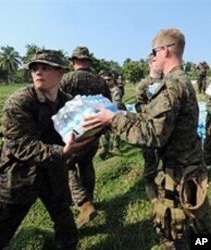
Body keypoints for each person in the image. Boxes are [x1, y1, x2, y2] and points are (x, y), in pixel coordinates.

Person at [83, 28, 210, 249]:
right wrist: (121, 115)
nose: (153, 57)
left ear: (165, 51)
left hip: (178, 176)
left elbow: (152, 136)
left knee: (176, 232)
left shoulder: (171, 85)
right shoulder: (182, 81)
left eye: (155, 52)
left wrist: (113, 121)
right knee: (198, 227)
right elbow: (155, 119)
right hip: (189, 167)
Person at [0, 49, 93, 250]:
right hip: (18, 175)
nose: (38, 72)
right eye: (34, 68)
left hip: (53, 174)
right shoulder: (20, 101)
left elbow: (82, 127)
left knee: (66, 225)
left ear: (60, 74)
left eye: (45, 68)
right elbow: (21, 146)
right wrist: (62, 152)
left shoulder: (68, 103)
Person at [60, 46, 111, 228]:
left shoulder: (66, 79)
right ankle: (89, 198)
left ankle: (82, 203)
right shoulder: (100, 81)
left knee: (67, 166)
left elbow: (56, 104)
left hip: (73, 133)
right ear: (88, 62)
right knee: (87, 164)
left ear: (73, 62)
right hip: (94, 130)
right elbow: (108, 104)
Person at [135, 53, 163, 201]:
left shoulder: (167, 81)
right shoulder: (144, 84)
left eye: (159, 60)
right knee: (150, 159)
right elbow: (139, 105)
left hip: (165, 128)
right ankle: (149, 184)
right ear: (149, 64)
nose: (158, 63)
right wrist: (154, 109)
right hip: (150, 128)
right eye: (154, 61)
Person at [97, 72, 126, 159]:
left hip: (114, 112)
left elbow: (116, 103)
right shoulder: (103, 90)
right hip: (105, 113)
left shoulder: (116, 90)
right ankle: (105, 149)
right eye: (105, 80)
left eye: (109, 80)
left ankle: (116, 147)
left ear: (113, 80)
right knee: (104, 133)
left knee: (115, 131)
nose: (107, 82)